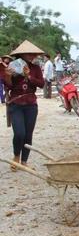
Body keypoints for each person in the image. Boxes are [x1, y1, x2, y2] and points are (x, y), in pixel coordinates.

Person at [3, 40, 46, 168]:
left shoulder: (36, 68)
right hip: (16, 103)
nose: (32, 56)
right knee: (19, 133)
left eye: (33, 54)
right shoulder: (12, 66)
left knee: (28, 134)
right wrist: (8, 76)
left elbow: (41, 84)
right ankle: (16, 156)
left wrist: (29, 76)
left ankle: (24, 161)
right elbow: (8, 85)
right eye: (29, 53)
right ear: (21, 54)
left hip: (31, 104)